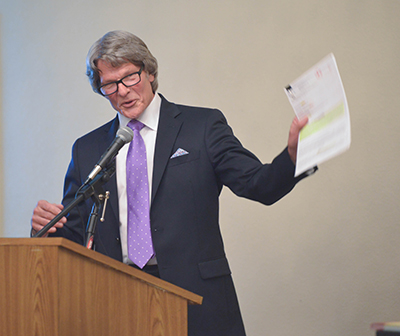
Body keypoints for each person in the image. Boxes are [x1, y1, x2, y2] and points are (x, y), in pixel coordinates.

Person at [31, 30, 315, 336]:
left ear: (150, 72)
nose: (122, 91)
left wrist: (293, 157)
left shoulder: (202, 127)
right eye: (109, 85)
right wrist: (45, 229)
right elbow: (75, 235)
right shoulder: (87, 149)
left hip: (198, 303)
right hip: (117, 304)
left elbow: (259, 185)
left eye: (129, 77)